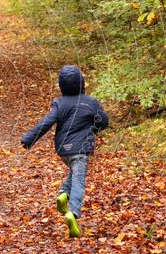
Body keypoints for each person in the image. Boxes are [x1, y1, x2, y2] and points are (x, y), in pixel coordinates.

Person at [20, 65, 109, 238]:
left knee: (75, 171)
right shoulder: (90, 102)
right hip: (81, 148)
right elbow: (103, 121)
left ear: (62, 85)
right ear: (82, 83)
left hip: (63, 149)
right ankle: (73, 213)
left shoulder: (60, 103)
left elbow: (47, 122)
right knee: (79, 180)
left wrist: (30, 138)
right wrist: (95, 127)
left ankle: (63, 194)